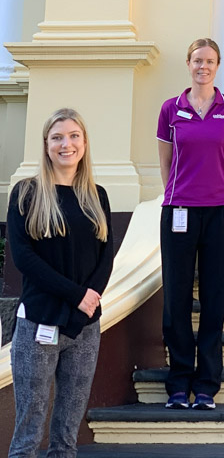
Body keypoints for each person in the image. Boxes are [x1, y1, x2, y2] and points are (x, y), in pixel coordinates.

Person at [7, 108, 114, 458]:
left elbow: (105, 257)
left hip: (84, 328)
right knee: (29, 427)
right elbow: (24, 259)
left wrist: (89, 301)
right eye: (57, 137)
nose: (66, 144)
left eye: (73, 136)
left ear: (84, 142)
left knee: (67, 433)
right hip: (39, 322)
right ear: (46, 144)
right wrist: (77, 295)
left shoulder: (97, 195)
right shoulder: (26, 193)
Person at [156, 38, 224, 410]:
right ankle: (179, 382)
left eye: (209, 61)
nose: (202, 66)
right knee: (176, 298)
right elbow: (165, 162)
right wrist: (179, 195)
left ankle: (207, 384)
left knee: (213, 297)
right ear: (188, 64)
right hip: (178, 210)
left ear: (218, 65)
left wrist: (213, 192)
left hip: (220, 212)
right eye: (197, 60)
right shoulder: (170, 109)